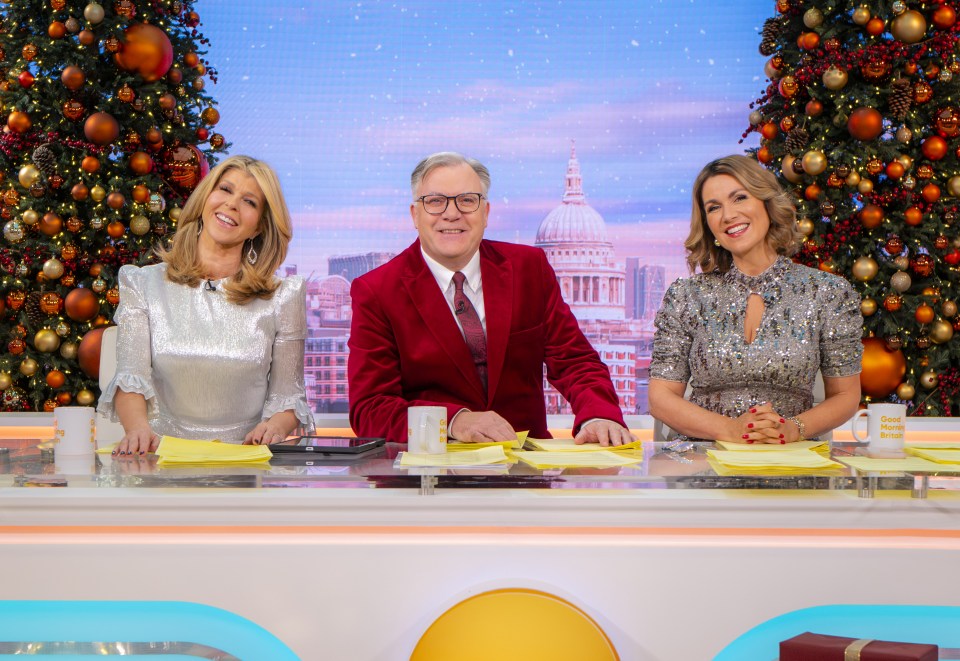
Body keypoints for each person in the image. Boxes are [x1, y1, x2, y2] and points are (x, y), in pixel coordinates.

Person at [348, 152, 632, 445]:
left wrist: (599, 415)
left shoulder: (529, 268)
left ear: (485, 213)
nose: (451, 213)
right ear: (414, 215)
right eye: (435, 201)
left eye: (467, 200)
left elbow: (576, 361)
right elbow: (370, 408)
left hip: (524, 473)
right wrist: (453, 421)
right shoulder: (376, 290)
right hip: (427, 476)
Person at [98, 155, 314, 454]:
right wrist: (137, 431)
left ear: (258, 228)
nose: (232, 205)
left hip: (244, 468)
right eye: (225, 190)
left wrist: (274, 427)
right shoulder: (143, 284)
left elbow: (288, 399)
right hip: (163, 460)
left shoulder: (283, 297)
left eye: (249, 202)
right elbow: (130, 379)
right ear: (205, 199)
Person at [648, 154, 862, 443]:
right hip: (704, 463)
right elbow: (660, 398)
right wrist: (730, 431)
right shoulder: (687, 296)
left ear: (766, 202)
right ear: (708, 224)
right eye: (714, 208)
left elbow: (846, 395)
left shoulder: (827, 292)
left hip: (791, 461)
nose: (728, 215)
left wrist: (792, 429)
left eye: (739, 198)